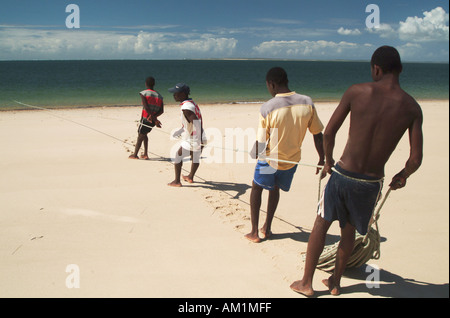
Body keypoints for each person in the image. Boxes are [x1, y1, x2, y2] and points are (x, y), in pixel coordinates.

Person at [290, 46, 424, 297]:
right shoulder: (412, 108)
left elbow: (328, 132)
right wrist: (402, 175)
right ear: (401, 69)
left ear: (376, 69)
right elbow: (415, 159)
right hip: (370, 183)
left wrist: (328, 161)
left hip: (342, 175)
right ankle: (336, 283)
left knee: (321, 223)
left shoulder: (357, 91)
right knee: (348, 231)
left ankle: (306, 283)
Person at [244, 67, 325, 243]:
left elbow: (261, 141)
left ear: (272, 84)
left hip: (270, 161)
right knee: (275, 188)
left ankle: (254, 232)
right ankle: (267, 227)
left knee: (257, 188)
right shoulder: (307, 102)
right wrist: (322, 158)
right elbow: (318, 134)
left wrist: (253, 153)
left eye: (268, 86)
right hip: (291, 161)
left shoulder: (268, 107)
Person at [167, 83, 206, 187]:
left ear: (183, 94)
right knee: (195, 158)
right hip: (199, 136)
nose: (174, 95)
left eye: (176, 93)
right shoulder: (191, 103)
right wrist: (180, 131)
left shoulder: (186, 107)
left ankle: (176, 181)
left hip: (194, 138)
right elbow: (189, 123)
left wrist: (198, 140)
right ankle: (190, 176)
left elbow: (196, 123)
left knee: (178, 156)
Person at [129, 77, 164, 160]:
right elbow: (161, 111)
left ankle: (135, 155)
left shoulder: (143, 93)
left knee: (140, 135)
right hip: (152, 120)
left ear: (146, 84)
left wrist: (151, 116)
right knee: (144, 134)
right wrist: (154, 117)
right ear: (154, 84)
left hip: (146, 118)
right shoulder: (159, 96)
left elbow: (146, 107)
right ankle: (145, 154)